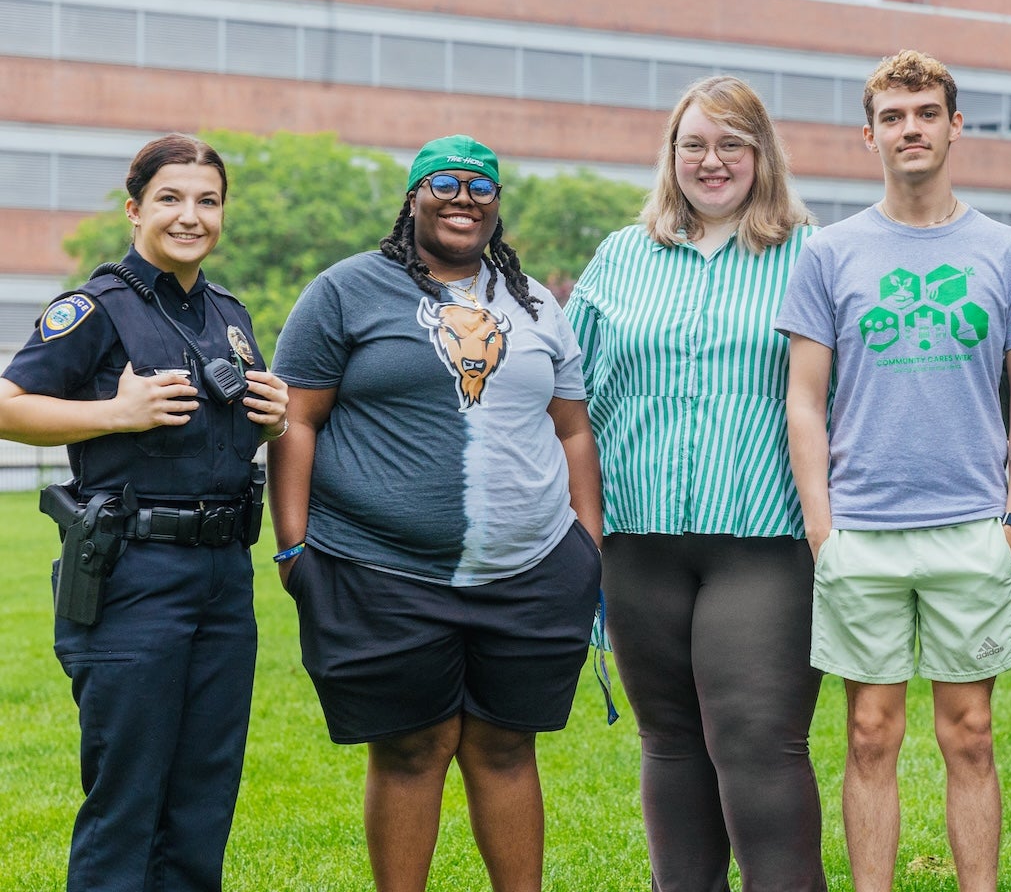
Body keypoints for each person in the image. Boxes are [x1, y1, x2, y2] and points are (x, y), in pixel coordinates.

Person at [269, 134, 602, 892]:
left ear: (496, 206)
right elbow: (296, 420)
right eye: (444, 183)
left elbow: (574, 427)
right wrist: (293, 548)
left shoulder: (532, 302)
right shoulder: (347, 291)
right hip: (380, 567)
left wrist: (588, 542)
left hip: (530, 569)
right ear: (413, 197)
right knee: (412, 747)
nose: (463, 198)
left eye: (481, 187)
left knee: (508, 746)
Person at [777, 49, 1011, 892]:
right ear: (869, 134)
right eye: (893, 117)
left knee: (970, 732)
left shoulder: (1009, 253)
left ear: (954, 125)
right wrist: (823, 531)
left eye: (926, 113)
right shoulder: (829, 252)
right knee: (870, 731)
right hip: (861, 531)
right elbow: (803, 399)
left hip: (973, 526)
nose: (911, 129)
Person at [0, 133, 289, 892]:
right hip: (133, 574)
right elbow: (8, 405)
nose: (190, 215)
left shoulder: (228, 314)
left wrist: (276, 417)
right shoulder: (95, 308)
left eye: (207, 200)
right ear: (135, 210)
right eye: (170, 198)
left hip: (224, 578)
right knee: (127, 799)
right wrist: (117, 414)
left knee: (203, 799)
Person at [564, 75, 826, 892]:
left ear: (762, 155)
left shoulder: (814, 254)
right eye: (694, 146)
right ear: (671, 155)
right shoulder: (620, 255)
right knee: (669, 740)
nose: (712, 162)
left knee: (755, 739)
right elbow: (573, 396)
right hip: (638, 540)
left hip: (766, 537)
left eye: (731, 146)